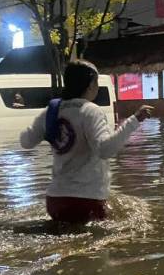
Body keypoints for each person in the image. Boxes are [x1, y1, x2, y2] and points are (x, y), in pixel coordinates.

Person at [20, 60, 153, 224]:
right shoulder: (91, 111)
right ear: (91, 85)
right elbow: (105, 150)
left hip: (54, 200)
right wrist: (134, 120)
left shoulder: (51, 112)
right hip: (87, 200)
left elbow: (25, 141)